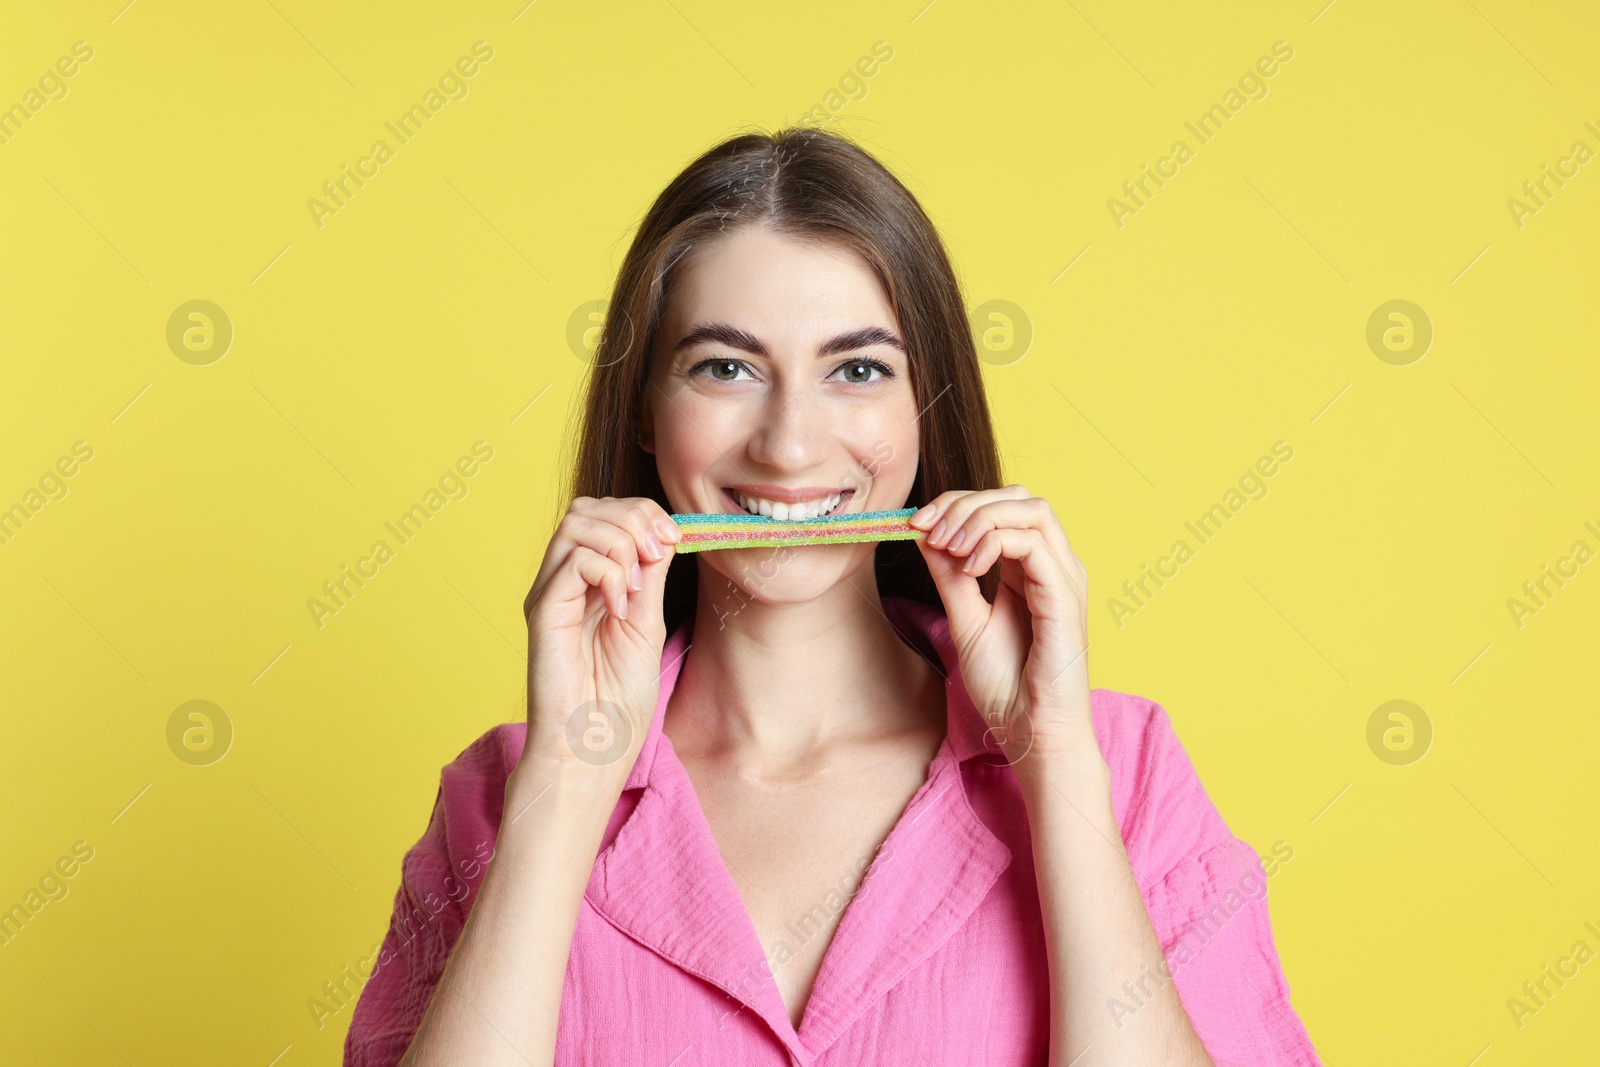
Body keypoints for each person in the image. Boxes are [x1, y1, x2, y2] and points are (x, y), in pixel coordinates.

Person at [344, 126, 1322, 1067]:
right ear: (645, 407)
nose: (790, 444)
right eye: (724, 367)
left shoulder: (1126, 771)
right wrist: (568, 777)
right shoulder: (496, 798)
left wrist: (1051, 758)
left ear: (923, 410)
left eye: (857, 370)